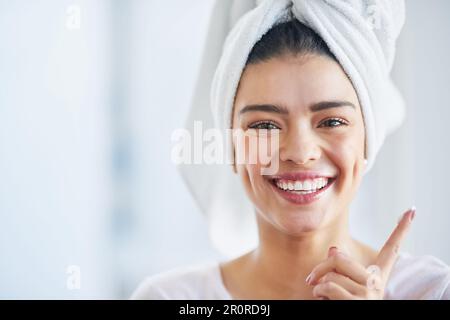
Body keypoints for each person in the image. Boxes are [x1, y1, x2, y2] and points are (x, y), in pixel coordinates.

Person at [131, 1, 450, 300]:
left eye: (332, 121)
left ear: (368, 138)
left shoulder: (432, 290)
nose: (299, 151)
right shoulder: (171, 297)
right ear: (232, 147)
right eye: (265, 126)